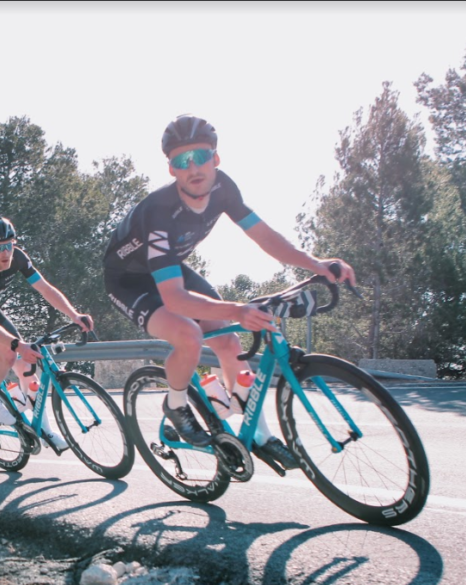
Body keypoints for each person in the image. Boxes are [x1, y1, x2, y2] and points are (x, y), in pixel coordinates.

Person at [102, 114, 355, 471]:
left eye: (200, 156)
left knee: (229, 343)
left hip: (170, 267)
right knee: (189, 335)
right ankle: (175, 405)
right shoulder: (159, 212)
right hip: (128, 280)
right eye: (181, 161)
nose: (193, 168)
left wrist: (317, 264)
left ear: (216, 159)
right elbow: (174, 300)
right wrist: (237, 310)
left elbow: (264, 236)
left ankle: (258, 435)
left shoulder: (224, 189)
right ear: (171, 169)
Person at [0, 217, 93, 451]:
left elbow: (45, 288)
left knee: (27, 366)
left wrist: (74, 315)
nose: (5, 253)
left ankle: (44, 429)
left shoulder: (19, 258)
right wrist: (18, 346)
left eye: (9, 245)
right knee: (9, 352)